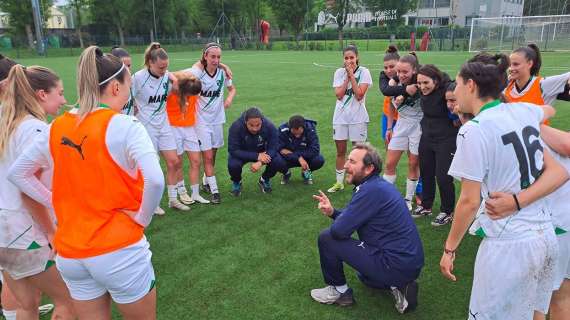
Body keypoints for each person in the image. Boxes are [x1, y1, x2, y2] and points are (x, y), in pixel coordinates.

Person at [9, 46, 164, 320]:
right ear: (115, 87)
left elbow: (18, 173)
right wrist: (142, 219)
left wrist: (56, 199)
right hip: (119, 250)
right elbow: (155, 180)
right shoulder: (126, 126)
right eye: (127, 84)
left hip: (72, 254)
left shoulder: (56, 127)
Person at [440, 55, 567, 320]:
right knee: (533, 313)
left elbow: (469, 202)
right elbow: (550, 115)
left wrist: (449, 249)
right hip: (546, 238)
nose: (455, 92)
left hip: (509, 244)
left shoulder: (472, 130)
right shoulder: (523, 111)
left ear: (471, 85)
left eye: (459, 85)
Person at [0, 64, 75, 319]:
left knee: (27, 303)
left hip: (4, 231)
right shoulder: (37, 131)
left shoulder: (5, 120)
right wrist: (53, 231)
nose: (64, 100)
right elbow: (27, 190)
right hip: (24, 233)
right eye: (61, 93)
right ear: (42, 94)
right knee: (70, 301)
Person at [311, 143, 424, 314]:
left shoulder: (370, 190)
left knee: (327, 238)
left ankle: (339, 291)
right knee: (366, 278)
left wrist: (339, 220)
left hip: (394, 263)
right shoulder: (377, 186)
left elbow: (339, 231)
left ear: (369, 168)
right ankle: (401, 284)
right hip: (408, 263)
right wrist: (333, 212)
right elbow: (357, 218)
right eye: (347, 160)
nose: (346, 165)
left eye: (352, 162)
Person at [485, 124, 570, 320]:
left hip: (554, 223)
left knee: (533, 301)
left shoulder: (528, 131)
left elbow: (566, 146)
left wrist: (529, 121)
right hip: (558, 221)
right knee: (558, 295)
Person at [132, 42, 189, 213]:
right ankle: (152, 203)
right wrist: (134, 106)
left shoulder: (167, 77)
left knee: (174, 161)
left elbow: (178, 86)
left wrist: (174, 81)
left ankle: (172, 200)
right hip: (146, 127)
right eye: (160, 68)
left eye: (166, 68)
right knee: (152, 167)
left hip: (164, 126)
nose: (163, 71)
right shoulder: (138, 78)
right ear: (150, 62)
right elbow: (128, 98)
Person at [187, 42, 236, 204]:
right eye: (212, 56)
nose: (216, 60)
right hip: (201, 122)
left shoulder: (222, 74)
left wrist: (229, 98)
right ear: (205, 56)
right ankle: (215, 192)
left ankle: (206, 182)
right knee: (207, 157)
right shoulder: (199, 74)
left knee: (212, 155)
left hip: (217, 120)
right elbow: (195, 66)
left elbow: (232, 88)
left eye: (219, 57)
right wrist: (222, 64)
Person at [413, 64, 458, 226]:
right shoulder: (419, 87)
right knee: (426, 172)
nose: (422, 87)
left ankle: (447, 211)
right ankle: (426, 205)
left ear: (436, 80)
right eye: (420, 83)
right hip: (427, 137)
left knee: (443, 177)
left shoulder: (447, 88)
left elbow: (461, 95)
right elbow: (405, 82)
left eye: (426, 83)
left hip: (446, 139)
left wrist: (458, 118)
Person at [327, 45, 372, 193]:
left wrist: (352, 75)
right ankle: (339, 182)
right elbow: (339, 94)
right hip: (340, 118)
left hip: (358, 118)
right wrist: (346, 76)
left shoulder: (364, 72)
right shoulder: (339, 73)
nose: (349, 60)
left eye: (352, 57)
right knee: (341, 151)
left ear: (357, 57)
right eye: (346, 58)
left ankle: (361, 184)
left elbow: (359, 95)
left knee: (359, 152)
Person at [382, 53, 422, 212]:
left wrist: (404, 94)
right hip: (400, 126)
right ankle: (386, 199)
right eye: (399, 71)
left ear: (414, 70)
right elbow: (390, 105)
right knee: (390, 163)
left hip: (418, 127)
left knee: (413, 163)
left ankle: (408, 199)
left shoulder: (420, 82)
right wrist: (390, 127)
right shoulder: (392, 84)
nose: (401, 74)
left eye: (405, 71)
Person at [165, 71, 210, 204]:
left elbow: (201, 65)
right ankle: (182, 191)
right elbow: (165, 72)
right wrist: (174, 80)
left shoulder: (193, 82)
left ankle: (195, 194)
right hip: (173, 128)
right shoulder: (172, 90)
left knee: (196, 161)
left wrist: (224, 67)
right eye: (190, 95)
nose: (193, 97)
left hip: (190, 128)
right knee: (177, 162)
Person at [504, 44, 570, 124]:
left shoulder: (543, 84)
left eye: (516, 64)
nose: (511, 68)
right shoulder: (507, 86)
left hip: (539, 136)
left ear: (529, 64)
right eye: (510, 64)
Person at [227, 107, 286, 195]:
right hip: (243, 152)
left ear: (262, 121)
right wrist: (257, 156)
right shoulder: (236, 127)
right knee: (233, 164)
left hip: (263, 152)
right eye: (251, 125)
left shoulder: (269, 125)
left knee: (277, 161)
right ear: (245, 122)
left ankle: (264, 179)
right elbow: (233, 150)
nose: (255, 129)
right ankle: (237, 182)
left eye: (258, 125)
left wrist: (260, 162)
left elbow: (274, 147)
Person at [278, 115, 324, 185]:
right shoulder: (282, 130)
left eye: (299, 133)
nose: (297, 136)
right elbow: (280, 149)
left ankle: (306, 173)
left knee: (319, 160)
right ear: (290, 128)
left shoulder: (310, 130)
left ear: (303, 127)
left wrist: (299, 156)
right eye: (294, 133)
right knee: (275, 160)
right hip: (289, 157)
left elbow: (315, 150)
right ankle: (286, 173)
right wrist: (298, 158)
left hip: (304, 157)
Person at [379, 45, 400, 148]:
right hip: (388, 116)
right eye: (386, 67)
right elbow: (387, 93)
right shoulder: (385, 78)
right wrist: (389, 127)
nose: (388, 70)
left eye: (392, 67)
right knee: (389, 147)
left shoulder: (407, 78)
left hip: (404, 118)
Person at [110, 47, 136, 116]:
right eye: (123, 66)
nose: (127, 69)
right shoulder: (106, 88)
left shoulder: (132, 81)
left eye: (129, 65)